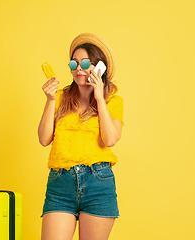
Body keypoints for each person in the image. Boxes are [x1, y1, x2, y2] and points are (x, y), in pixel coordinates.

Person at [38, 33, 124, 240]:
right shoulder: (59, 98)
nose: (78, 68)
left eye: (85, 63)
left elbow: (110, 139)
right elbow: (44, 139)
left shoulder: (113, 101)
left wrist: (99, 98)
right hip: (60, 184)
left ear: (99, 67)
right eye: (74, 63)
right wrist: (50, 100)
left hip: (98, 182)